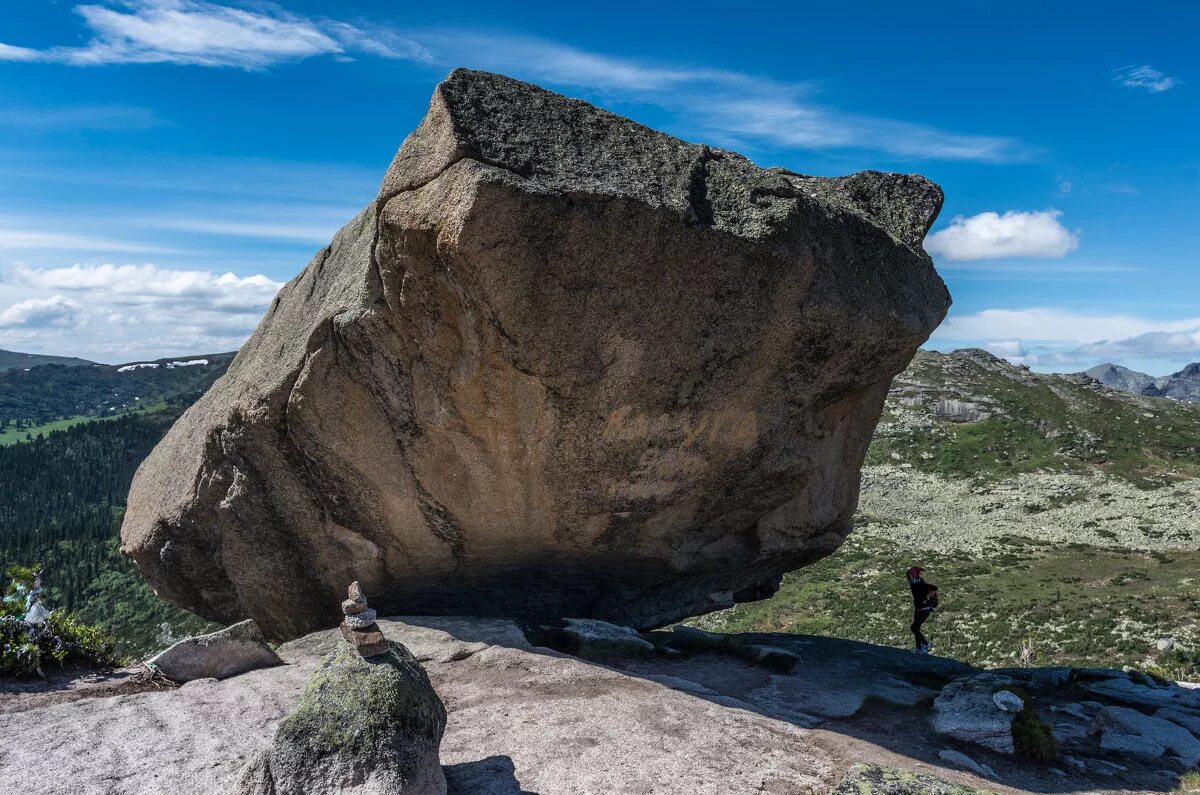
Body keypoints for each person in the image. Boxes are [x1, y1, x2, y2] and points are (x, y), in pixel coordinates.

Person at [906, 566, 937, 654]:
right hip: (920, 609)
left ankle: (923, 645)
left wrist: (926, 597)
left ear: (914, 575)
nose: (908, 578)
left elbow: (934, 588)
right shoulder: (915, 582)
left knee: (914, 628)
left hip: (923, 609)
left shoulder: (919, 583)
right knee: (916, 628)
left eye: (909, 576)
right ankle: (920, 647)